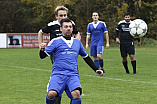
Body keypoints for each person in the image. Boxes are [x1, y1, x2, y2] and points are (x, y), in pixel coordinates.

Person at [39, 18, 103, 104]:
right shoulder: (55, 41)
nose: (68, 28)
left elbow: (86, 57)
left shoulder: (77, 42)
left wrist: (96, 69)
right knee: (51, 94)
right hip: (58, 74)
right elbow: (42, 56)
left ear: (72, 29)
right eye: (66, 27)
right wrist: (42, 49)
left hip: (72, 74)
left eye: (70, 27)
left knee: (76, 94)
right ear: (61, 29)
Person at [38, 6, 80, 103]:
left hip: (70, 57)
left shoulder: (70, 23)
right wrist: (40, 45)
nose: (63, 17)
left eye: (65, 15)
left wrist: (76, 42)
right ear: (56, 16)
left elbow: (77, 33)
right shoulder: (52, 25)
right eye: (61, 15)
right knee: (58, 86)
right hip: (56, 58)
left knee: (73, 88)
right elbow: (41, 32)